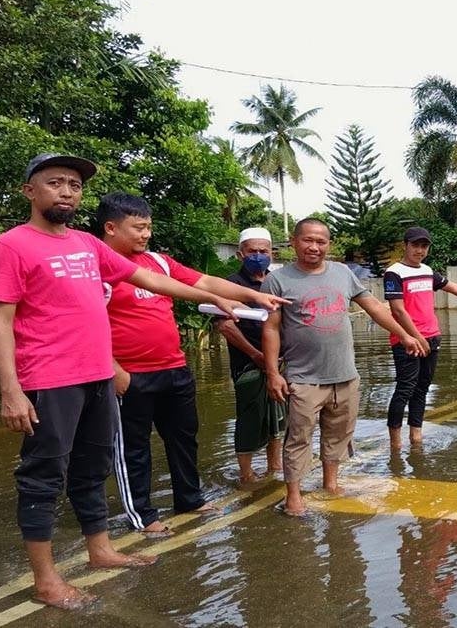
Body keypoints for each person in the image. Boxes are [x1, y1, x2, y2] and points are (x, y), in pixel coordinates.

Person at [0, 153, 248, 610]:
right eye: (55, 183)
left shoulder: (87, 244)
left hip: (98, 376)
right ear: (30, 191)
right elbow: (1, 320)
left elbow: (147, 277)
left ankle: (100, 548)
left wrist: (210, 297)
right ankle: (46, 580)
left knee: (93, 468)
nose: (66, 191)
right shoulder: (11, 246)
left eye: (73, 184)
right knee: (43, 476)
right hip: (48, 378)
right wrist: (11, 391)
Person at [98, 193, 288, 538]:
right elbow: (88, 323)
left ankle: (189, 498)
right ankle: (142, 514)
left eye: (149, 227)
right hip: (130, 374)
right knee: (133, 447)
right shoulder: (97, 267)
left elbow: (203, 282)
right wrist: (113, 369)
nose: (146, 235)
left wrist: (253, 295)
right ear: (111, 228)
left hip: (174, 367)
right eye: (138, 228)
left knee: (184, 437)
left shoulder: (159, 262)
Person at [262, 218, 424, 516]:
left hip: (344, 375)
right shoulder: (278, 280)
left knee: (338, 434)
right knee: (298, 437)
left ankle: (330, 483)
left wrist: (404, 335)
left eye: (321, 241)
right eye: (308, 240)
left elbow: (374, 307)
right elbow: (271, 328)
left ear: (329, 244)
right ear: (294, 241)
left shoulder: (343, 273)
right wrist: (272, 373)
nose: (314, 247)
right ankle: (294, 495)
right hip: (303, 377)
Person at [383, 227, 457, 449]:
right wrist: (416, 337)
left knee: (422, 388)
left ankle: (416, 437)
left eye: (424, 246)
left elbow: (453, 287)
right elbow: (397, 310)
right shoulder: (394, 273)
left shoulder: (427, 271)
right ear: (405, 245)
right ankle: (395, 443)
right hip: (407, 340)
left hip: (432, 337)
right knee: (405, 389)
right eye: (415, 245)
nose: (420, 250)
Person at [213, 226, 285, 485]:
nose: (258, 255)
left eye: (263, 251)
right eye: (252, 251)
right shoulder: (230, 285)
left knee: (278, 417)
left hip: (280, 363)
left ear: (271, 253)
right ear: (240, 254)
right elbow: (225, 326)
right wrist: (256, 355)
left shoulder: (277, 282)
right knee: (250, 417)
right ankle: (246, 474)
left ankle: (274, 467)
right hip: (248, 364)